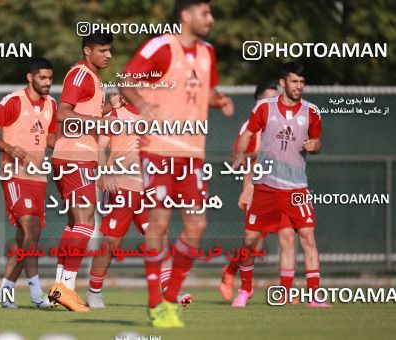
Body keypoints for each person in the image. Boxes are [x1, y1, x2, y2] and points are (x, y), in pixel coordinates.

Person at [121, 0, 234, 327]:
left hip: (192, 153)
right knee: (158, 223)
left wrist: (218, 100)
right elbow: (127, 81)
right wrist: (142, 102)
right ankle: (157, 303)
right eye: (205, 12)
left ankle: (170, 297)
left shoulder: (207, 52)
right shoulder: (160, 46)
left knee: (196, 227)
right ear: (185, 15)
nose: (210, 19)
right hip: (157, 149)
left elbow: (204, 92)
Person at [231, 61, 330, 307]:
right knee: (249, 240)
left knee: (307, 237)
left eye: (302, 82)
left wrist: (314, 146)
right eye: (294, 81)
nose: (298, 86)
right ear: (283, 83)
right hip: (265, 186)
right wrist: (240, 155)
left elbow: (317, 143)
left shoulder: (311, 112)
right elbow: (246, 135)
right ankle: (245, 289)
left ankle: (312, 296)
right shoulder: (264, 108)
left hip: (296, 188)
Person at [47, 32, 118, 312]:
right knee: (86, 222)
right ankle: (66, 290)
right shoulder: (80, 74)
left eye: (109, 50)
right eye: (103, 50)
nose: (108, 55)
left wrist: (108, 108)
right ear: (88, 51)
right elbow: (63, 112)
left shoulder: (94, 79)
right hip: (75, 156)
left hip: (76, 157)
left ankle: (59, 289)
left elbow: (83, 111)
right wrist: (95, 122)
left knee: (75, 224)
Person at [0, 57, 57, 309]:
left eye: (50, 78)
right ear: (30, 77)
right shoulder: (13, 101)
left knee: (23, 239)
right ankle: (36, 293)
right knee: (32, 229)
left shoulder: (51, 105)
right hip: (14, 174)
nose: (47, 83)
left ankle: (4, 292)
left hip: (38, 178)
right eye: (42, 78)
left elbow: (51, 140)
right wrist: (9, 148)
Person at [85, 100, 149, 308]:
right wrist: (106, 173)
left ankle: (168, 291)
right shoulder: (116, 114)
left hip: (148, 188)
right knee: (112, 243)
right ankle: (94, 292)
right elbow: (100, 147)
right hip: (121, 186)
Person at [219, 82, 279, 301]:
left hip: (283, 187)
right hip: (257, 188)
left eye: (277, 98)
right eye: (269, 98)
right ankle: (232, 271)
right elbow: (238, 157)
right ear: (258, 102)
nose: (274, 103)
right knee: (254, 243)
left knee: (290, 236)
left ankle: (290, 290)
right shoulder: (250, 126)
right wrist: (248, 187)